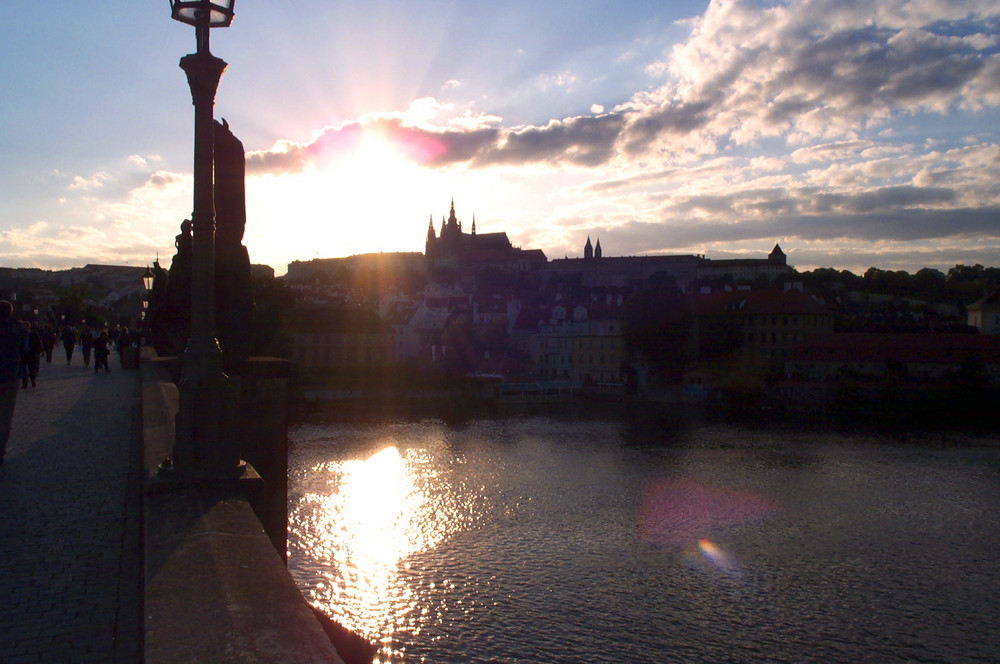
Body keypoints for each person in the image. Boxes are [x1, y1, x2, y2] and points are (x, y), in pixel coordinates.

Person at [0, 301, 23, 463]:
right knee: (6, 416)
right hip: (11, 377)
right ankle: (0, 449)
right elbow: (25, 332)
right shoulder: (16, 328)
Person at [20, 322, 42, 388]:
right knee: (23, 370)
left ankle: (33, 381)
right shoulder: (21, 335)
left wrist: (38, 353)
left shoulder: (33, 334)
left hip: (31, 353)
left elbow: (38, 344)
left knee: (32, 368)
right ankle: (24, 384)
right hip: (23, 354)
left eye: (25, 327)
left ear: (28, 327)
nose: (24, 328)